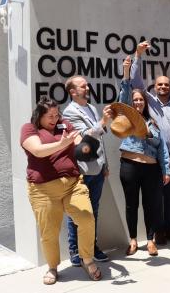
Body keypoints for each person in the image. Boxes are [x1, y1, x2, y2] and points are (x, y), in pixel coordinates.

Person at [20, 97, 101, 284]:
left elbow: (79, 143)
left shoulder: (64, 125)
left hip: (73, 184)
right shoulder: (29, 129)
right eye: (50, 116)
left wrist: (85, 145)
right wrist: (62, 144)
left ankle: (87, 260)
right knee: (49, 231)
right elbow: (38, 151)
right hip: (43, 190)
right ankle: (52, 267)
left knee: (87, 218)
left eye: (57, 114)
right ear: (39, 115)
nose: (55, 119)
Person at [131, 42, 170, 244]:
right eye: (159, 84)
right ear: (155, 87)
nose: (163, 86)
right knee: (155, 199)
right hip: (153, 157)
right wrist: (138, 55)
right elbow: (135, 80)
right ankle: (158, 231)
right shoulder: (149, 101)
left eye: (166, 84)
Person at [119, 56, 170, 257]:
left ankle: (150, 240)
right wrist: (126, 72)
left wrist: (166, 170)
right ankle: (133, 241)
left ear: (145, 102)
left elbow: (162, 149)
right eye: (135, 100)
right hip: (129, 166)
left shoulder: (153, 123)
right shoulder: (127, 116)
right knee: (132, 205)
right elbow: (123, 95)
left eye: (140, 100)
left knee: (151, 206)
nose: (138, 102)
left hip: (151, 169)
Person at [62, 76, 112, 266]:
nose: (87, 87)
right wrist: (104, 121)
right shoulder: (69, 112)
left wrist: (105, 165)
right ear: (73, 92)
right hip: (82, 170)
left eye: (86, 85)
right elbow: (86, 137)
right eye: (83, 86)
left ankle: (91, 247)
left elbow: (100, 140)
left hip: (97, 169)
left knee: (94, 211)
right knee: (77, 211)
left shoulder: (91, 108)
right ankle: (75, 250)